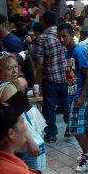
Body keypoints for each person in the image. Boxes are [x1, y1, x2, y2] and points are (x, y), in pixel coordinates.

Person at [0, 53, 46, 171]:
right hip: (22, 143)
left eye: (15, 67)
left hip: (15, 141)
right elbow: (17, 118)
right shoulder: (6, 87)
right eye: (9, 69)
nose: (14, 71)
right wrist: (30, 141)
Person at [57, 23, 88, 172]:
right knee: (85, 123)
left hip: (80, 94)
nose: (61, 40)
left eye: (64, 36)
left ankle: (87, 155)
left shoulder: (78, 51)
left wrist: (82, 95)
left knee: (74, 127)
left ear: (71, 34)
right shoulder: (68, 52)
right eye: (59, 37)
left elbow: (87, 73)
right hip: (74, 92)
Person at [34, 11, 69, 143]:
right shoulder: (65, 34)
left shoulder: (42, 38)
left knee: (49, 106)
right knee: (66, 102)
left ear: (43, 22)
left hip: (51, 77)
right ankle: (70, 128)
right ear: (55, 21)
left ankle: (52, 133)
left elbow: (40, 62)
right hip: (66, 76)